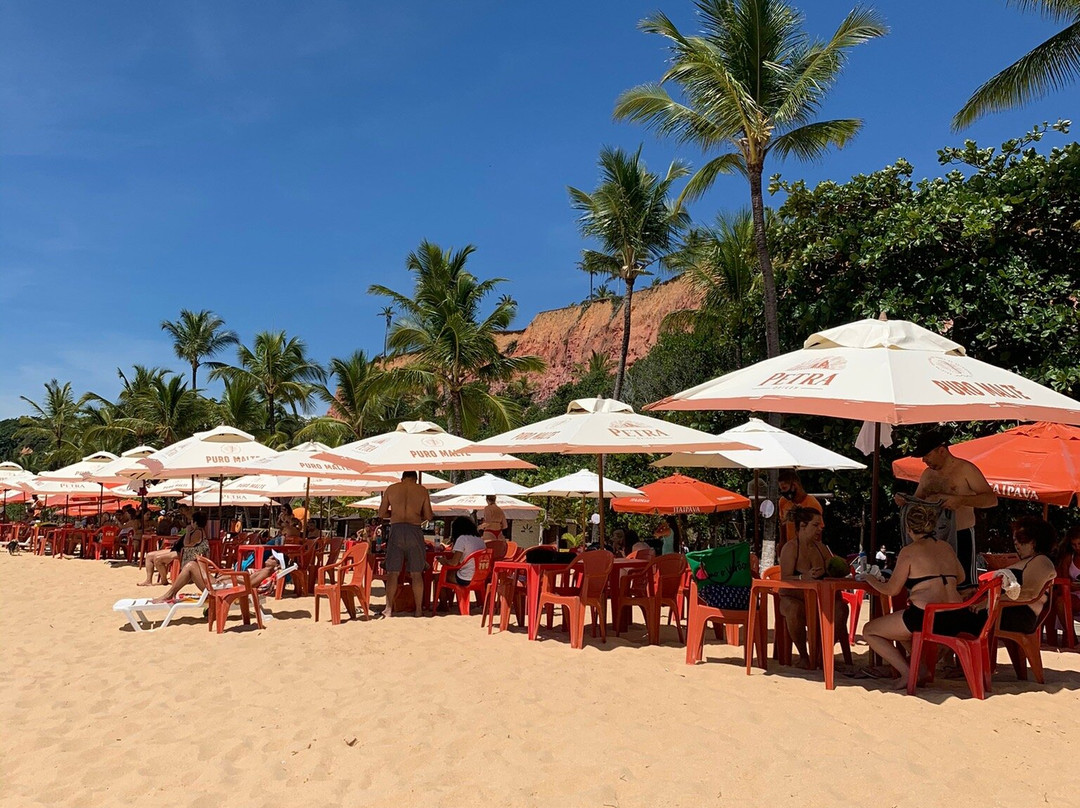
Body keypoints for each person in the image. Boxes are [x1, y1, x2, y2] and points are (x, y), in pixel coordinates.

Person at [861, 503, 974, 687]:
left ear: (908, 528)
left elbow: (892, 590)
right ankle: (920, 668)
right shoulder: (946, 547)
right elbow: (961, 577)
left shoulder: (909, 552)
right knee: (904, 630)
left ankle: (907, 673)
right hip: (955, 616)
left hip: (925, 617)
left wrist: (869, 579)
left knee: (870, 631)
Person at [894, 427, 997, 588]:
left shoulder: (966, 470)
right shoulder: (927, 474)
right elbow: (918, 501)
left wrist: (961, 500)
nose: (924, 460)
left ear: (941, 451)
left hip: (961, 533)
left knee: (964, 586)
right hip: (932, 537)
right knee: (935, 584)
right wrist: (905, 501)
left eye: (927, 455)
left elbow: (991, 500)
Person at [778, 507, 849, 669]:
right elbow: (785, 579)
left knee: (841, 608)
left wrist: (840, 566)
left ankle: (822, 654)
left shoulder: (821, 548)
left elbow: (833, 569)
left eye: (820, 526)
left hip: (818, 603)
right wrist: (804, 578)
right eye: (815, 525)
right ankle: (804, 656)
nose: (820, 529)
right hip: (794, 599)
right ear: (803, 526)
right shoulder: (790, 548)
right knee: (793, 608)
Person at [378, 471, 434, 618]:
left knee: (392, 573)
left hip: (396, 530)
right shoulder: (421, 490)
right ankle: (418, 611)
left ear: (401, 478)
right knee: (416, 573)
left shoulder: (391, 488)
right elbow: (428, 516)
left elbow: (381, 513)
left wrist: (395, 513)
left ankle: (389, 609)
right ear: (415, 479)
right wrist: (416, 514)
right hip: (414, 530)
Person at [995, 517, 1057, 633]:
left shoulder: (1041, 560)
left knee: (955, 619)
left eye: (1021, 538)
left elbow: (1029, 593)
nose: (1016, 543)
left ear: (1034, 541)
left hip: (1015, 615)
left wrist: (989, 602)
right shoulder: (1029, 561)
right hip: (1004, 611)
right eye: (1014, 539)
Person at [152, 553, 283, 604]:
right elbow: (248, 579)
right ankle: (170, 593)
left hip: (221, 589)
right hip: (222, 585)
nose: (268, 557)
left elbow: (251, 584)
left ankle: (169, 594)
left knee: (191, 565)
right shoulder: (263, 570)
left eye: (272, 558)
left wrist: (232, 577)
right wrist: (229, 575)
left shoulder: (266, 572)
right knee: (195, 563)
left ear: (277, 564)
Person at [144, 512, 209, 590]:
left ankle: (164, 581)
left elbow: (187, 544)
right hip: (177, 550)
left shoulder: (198, 532)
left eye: (192, 521)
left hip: (182, 553)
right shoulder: (196, 530)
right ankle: (148, 580)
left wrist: (187, 532)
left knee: (157, 559)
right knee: (149, 555)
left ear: (195, 522)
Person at [778, 469, 822, 549]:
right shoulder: (783, 501)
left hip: (806, 548)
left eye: (784, 488)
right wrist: (782, 544)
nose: (782, 492)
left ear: (794, 486)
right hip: (790, 547)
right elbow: (783, 525)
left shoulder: (812, 503)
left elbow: (818, 531)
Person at [443, 516, 486, 586]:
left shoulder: (462, 539)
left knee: (441, 576)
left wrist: (444, 561)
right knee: (450, 574)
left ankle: (443, 597)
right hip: (480, 577)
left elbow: (454, 563)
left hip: (466, 577)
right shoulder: (480, 540)